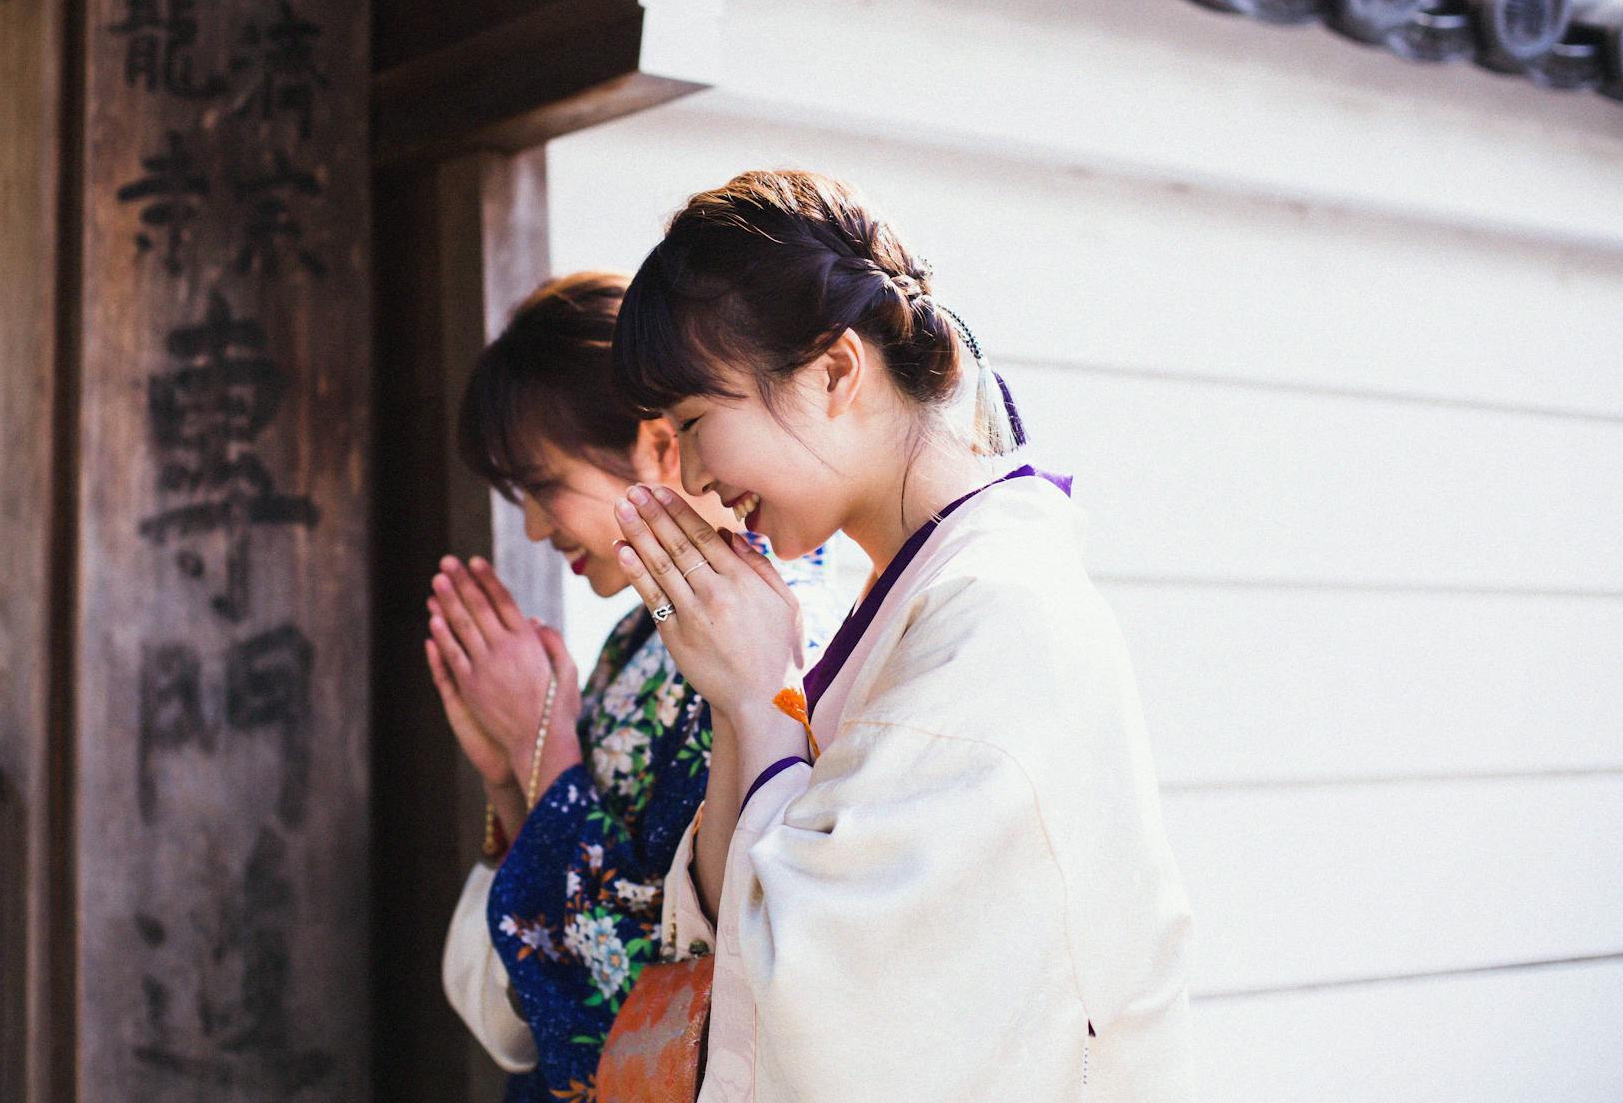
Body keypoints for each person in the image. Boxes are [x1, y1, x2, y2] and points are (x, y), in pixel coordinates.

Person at [605, 172, 1197, 1100]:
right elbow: (738, 929)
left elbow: (841, 1000)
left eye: (692, 421)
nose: (689, 474)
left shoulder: (998, 615)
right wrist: (740, 695)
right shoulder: (917, 593)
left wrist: (764, 694)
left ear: (835, 371)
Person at [429, 271, 847, 1102]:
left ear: (661, 444)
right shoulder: (640, 635)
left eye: (543, 486)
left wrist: (538, 744)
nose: (535, 528)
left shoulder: (777, 638)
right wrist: (508, 780)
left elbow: (651, 1001)